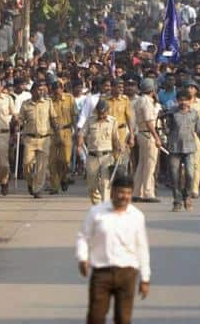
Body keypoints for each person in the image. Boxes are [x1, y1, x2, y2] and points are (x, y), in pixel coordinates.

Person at [76, 174, 151, 324]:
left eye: (129, 193)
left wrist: (145, 278)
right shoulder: (96, 212)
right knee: (95, 318)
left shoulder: (137, 216)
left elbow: (142, 247)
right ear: (112, 192)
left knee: (123, 319)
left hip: (127, 273)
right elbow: (83, 237)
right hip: (102, 273)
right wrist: (82, 258)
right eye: (121, 192)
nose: (124, 197)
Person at [166, 92, 200, 212]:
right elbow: (166, 129)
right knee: (175, 176)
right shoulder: (172, 113)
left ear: (190, 101)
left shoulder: (194, 114)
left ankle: (188, 197)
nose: (183, 102)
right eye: (181, 100)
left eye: (186, 100)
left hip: (190, 147)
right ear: (177, 101)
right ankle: (177, 201)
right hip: (174, 148)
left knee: (190, 174)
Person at [19, 81, 59, 198]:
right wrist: (18, 122)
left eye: (43, 89)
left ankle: (37, 189)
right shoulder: (26, 104)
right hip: (30, 139)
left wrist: (56, 127)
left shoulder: (48, 102)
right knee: (27, 165)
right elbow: (21, 119)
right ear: (32, 91)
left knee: (42, 166)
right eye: (39, 89)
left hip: (44, 139)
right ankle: (30, 183)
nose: (41, 92)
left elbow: (53, 117)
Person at [77, 100, 121, 204]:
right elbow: (82, 134)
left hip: (107, 156)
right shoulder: (90, 120)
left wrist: (118, 150)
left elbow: (115, 139)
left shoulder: (113, 121)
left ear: (107, 111)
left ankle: (104, 207)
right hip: (92, 156)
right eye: (100, 113)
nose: (102, 115)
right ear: (96, 111)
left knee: (106, 183)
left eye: (104, 113)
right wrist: (79, 145)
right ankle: (97, 205)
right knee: (92, 185)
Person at [132, 79, 163, 202]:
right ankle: (148, 192)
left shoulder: (139, 100)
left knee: (142, 164)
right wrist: (156, 137)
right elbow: (149, 122)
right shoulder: (147, 102)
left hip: (141, 133)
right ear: (153, 89)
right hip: (148, 134)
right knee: (150, 164)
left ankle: (137, 192)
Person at [49, 80, 77, 193]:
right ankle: (54, 186)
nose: (57, 92)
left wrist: (76, 131)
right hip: (53, 132)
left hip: (66, 131)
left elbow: (74, 115)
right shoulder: (49, 100)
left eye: (59, 90)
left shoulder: (70, 98)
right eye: (55, 90)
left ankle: (64, 178)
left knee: (65, 160)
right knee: (53, 161)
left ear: (62, 89)